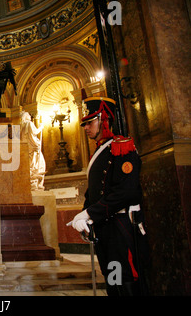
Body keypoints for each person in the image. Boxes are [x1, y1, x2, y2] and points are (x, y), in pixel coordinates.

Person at [69, 96, 149, 296]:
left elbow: (125, 192)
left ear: (104, 119)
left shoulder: (122, 147)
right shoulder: (101, 152)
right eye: (85, 124)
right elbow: (94, 192)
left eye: (90, 122)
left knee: (125, 277)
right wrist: (85, 215)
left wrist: (90, 214)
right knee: (112, 276)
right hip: (105, 227)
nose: (86, 128)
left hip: (120, 226)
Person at [20, 111, 46, 190]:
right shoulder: (29, 123)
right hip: (33, 148)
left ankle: (33, 183)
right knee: (40, 165)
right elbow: (34, 132)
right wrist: (41, 127)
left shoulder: (21, 126)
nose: (30, 115)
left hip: (27, 149)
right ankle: (36, 184)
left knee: (31, 166)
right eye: (28, 114)